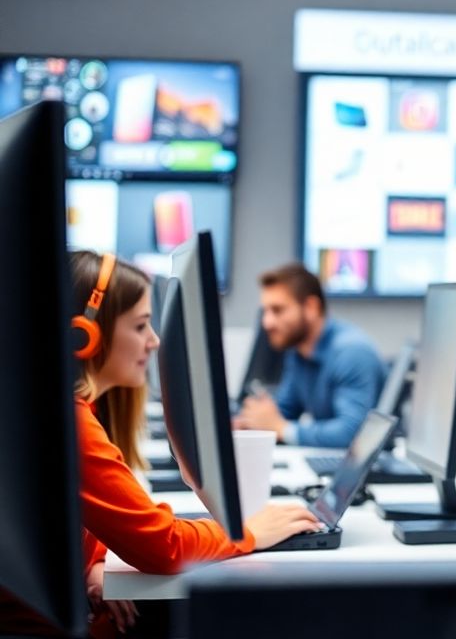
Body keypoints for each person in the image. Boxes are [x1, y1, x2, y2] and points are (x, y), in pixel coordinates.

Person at [68, 252, 319, 637]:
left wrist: (91, 563)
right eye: (140, 326)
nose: (154, 342)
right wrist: (246, 533)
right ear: (85, 335)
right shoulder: (75, 425)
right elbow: (163, 546)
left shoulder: (85, 410)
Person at [233, 262, 384, 448]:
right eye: (265, 311)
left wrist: (281, 428)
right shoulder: (298, 352)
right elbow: (285, 410)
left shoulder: (351, 353)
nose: (267, 322)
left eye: (277, 310)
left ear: (311, 307)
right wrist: (251, 423)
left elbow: (353, 434)